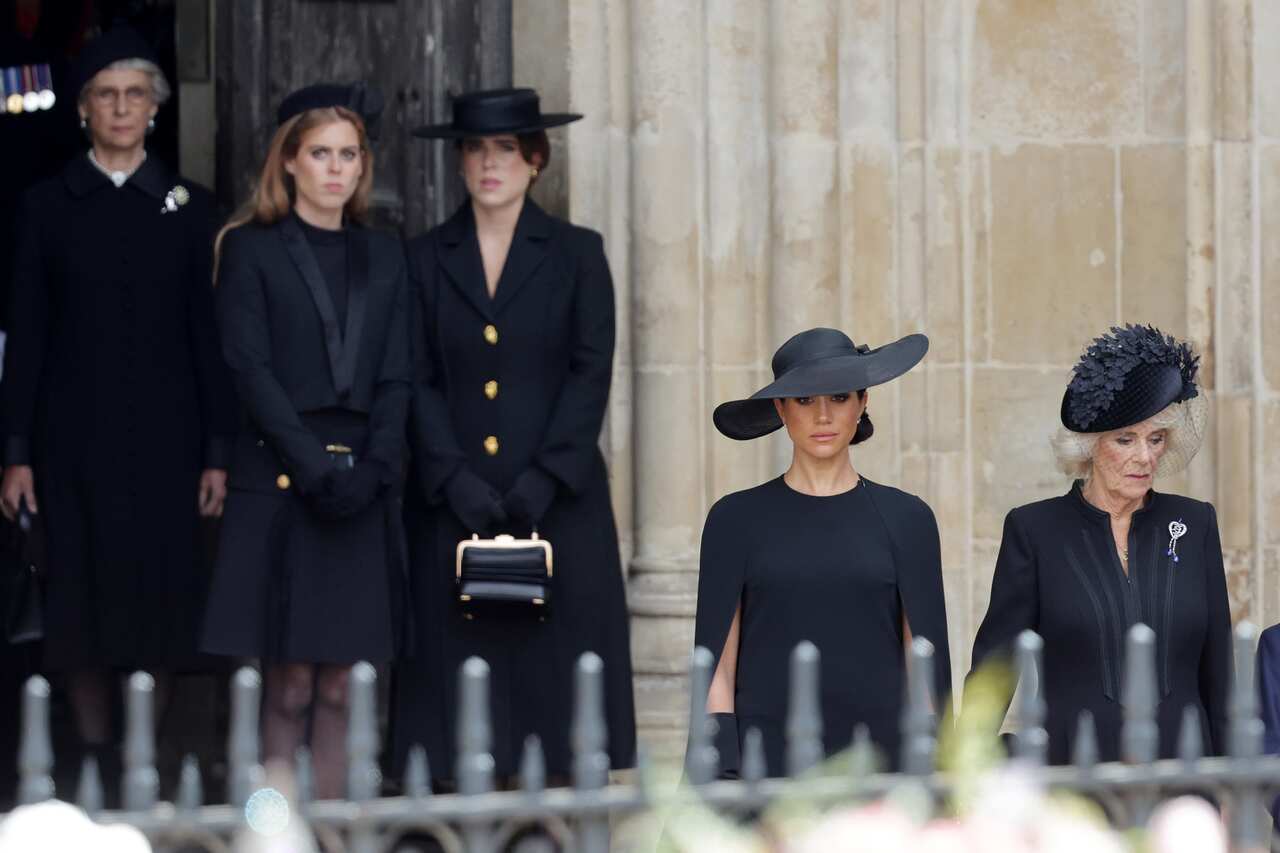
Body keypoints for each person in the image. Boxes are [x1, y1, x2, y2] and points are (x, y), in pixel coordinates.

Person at [0, 25, 235, 779]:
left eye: (136, 95)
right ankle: (95, 763)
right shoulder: (45, 208)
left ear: (156, 109)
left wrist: (218, 455)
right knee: (79, 618)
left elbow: (212, 344)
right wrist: (15, 455)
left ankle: (143, 768)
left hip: (169, 449)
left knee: (159, 616)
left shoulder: (192, 208)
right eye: (107, 95)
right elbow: (26, 339)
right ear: (83, 109)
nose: (122, 107)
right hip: (70, 448)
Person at [391, 88, 636, 782]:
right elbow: (414, 378)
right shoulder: (422, 258)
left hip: (560, 506)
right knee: (457, 699)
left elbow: (592, 371)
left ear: (535, 159)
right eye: (475, 149)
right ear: (460, 163)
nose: (489, 163)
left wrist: (543, 479)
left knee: (554, 699)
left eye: (505, 148)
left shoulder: (577, 254)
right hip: (452, 508)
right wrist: (454, 479)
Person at [199, 82, 410, 799]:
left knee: (346, 683)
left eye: (348, 154)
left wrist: (377, 463)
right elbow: (249, 370)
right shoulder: (250, 250)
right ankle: (278, 838)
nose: (336, 168)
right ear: (288, 160)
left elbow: (398, 373)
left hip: (361, 485)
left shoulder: (386, 256)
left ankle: (331, 833)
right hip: (282, 478)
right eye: (320, 153)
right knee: (286, 681)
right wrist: (312, 465)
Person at [694, 327, 952, 777]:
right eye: (804, 400)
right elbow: (717, 663)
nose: (822, 416)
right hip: (765, 764)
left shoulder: (908, 518)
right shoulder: (734, 519)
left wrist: (929, 775)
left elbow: (923, 661)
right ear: (780, 408)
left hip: (877, 763)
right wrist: (724, 775)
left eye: (837, 397)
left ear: (863, 402)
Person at [969, 324, 1231, 764]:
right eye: (1125, 440)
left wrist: (1229, 788)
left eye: (1156, 439)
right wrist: (965, 777)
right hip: (1075, 787)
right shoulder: (1035, 530)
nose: (1144, 457)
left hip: (1186, 781)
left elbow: (1220, 672)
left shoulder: (1194, 522)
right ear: (1089, 446)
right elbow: (995, 670)